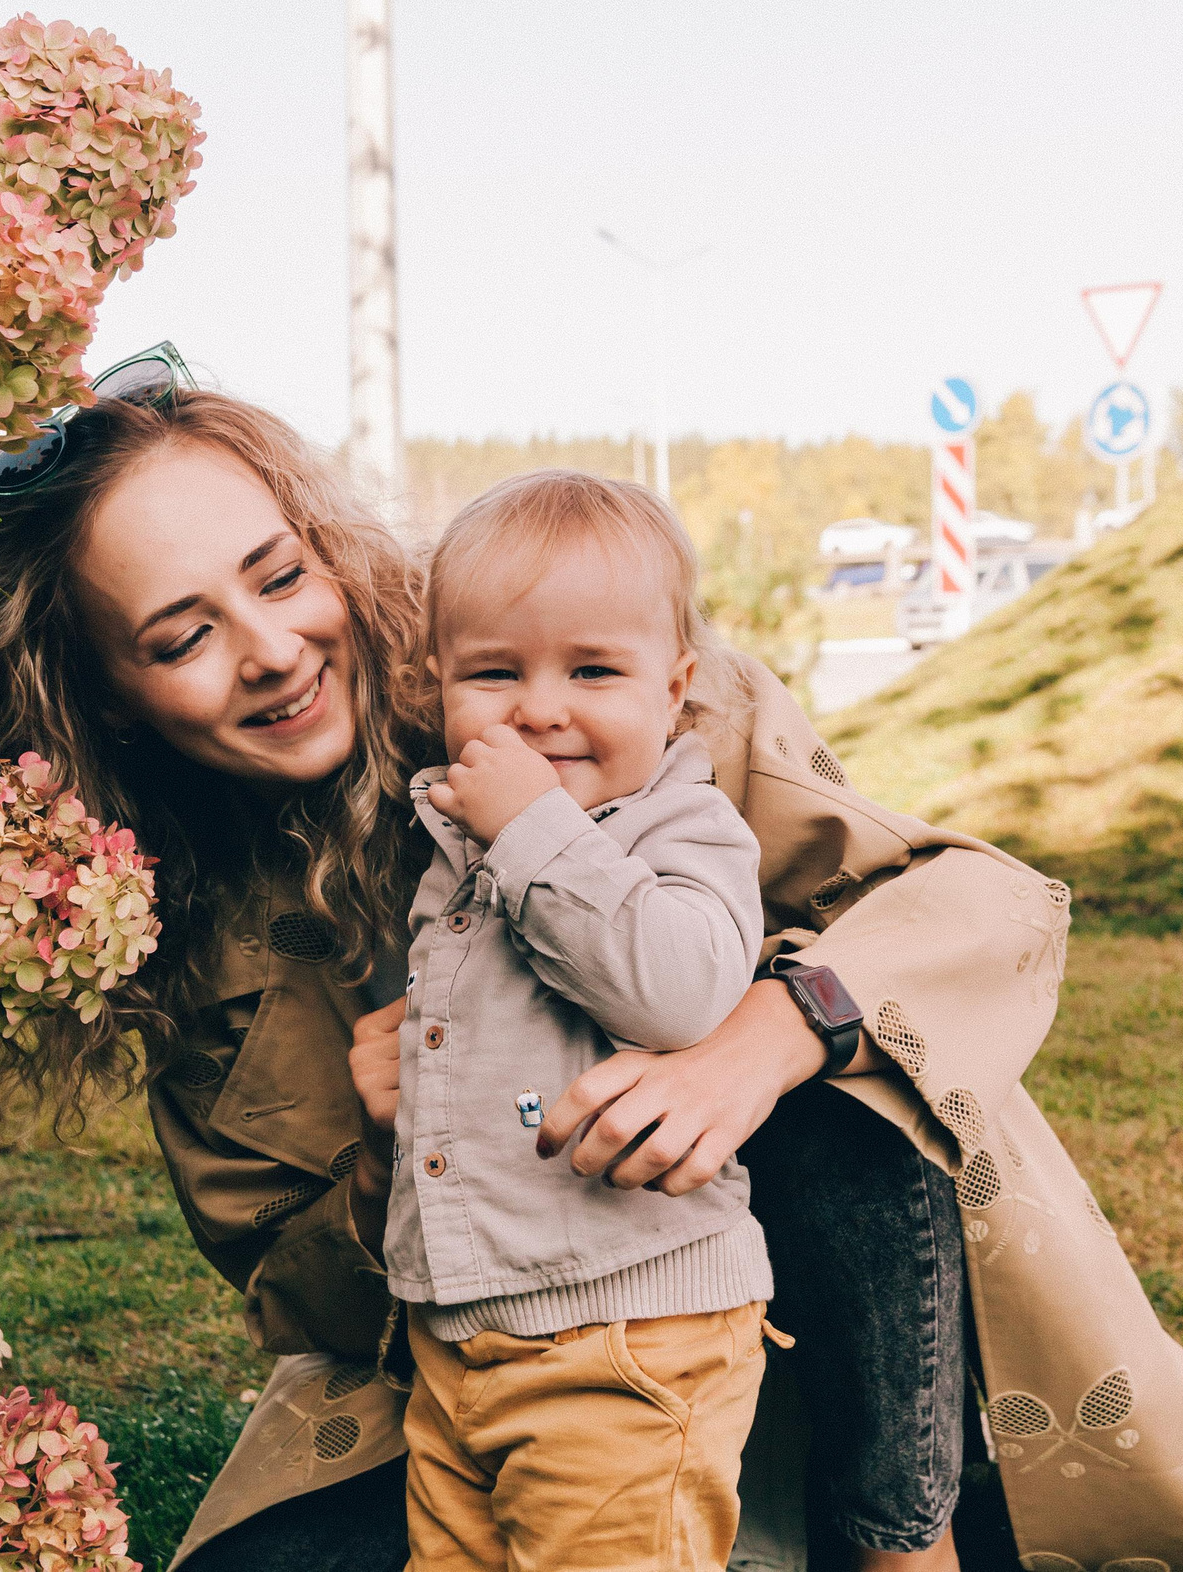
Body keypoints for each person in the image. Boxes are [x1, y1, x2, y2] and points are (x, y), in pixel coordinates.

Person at [0, 355, 1183, 1572]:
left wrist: (756, 1038)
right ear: (102, 692)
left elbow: (981, 904)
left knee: (826, 1082)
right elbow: (299, 1295)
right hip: (500, 1384)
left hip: (817, 1334)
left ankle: (906, 1531)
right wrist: (396, 1131)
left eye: (279, 572)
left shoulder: (570, 672)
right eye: (181, 633)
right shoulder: (155, 920)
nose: (273, 648)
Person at [389, 472, 777, 1570]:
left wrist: (535, 830)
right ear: (438, 688)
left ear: (675, 688)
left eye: (593, 670)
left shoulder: (681, 824)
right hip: (464, 1334)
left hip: (626, 1334)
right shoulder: (460, 836)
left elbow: (679, 991)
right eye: (495, 672)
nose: (541, 707)